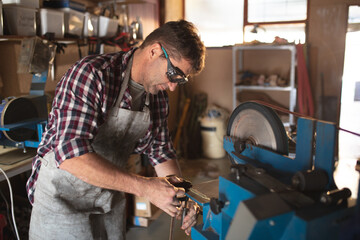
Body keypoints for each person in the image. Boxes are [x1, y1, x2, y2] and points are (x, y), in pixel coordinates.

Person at [26, 20, 206, 239]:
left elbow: (161, 152)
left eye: (181, 80)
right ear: (155, 51)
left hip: (107, 200)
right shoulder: (92, 75)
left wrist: (182, 198)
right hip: (62, 201)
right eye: (173, 74)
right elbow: (70, 155)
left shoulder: (157, 100)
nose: (173, 86)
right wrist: (146, 188)